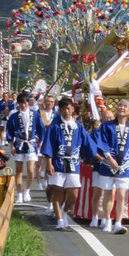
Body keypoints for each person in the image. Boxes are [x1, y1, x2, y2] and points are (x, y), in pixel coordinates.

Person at [90, 97, 129, 233]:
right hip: (108, 164)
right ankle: (108, 220)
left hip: (123, 165)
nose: (121, 108)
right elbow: (102, 142)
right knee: (108, 193)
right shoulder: (107, 126)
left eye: (125, 106)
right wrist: (108, 157)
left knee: (121, 194)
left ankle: (118, 222)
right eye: (119, 106)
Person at [41, 96, 91, 230]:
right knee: (58, 191)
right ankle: (59, 220)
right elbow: (49, 145)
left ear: (73, 109)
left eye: (69, 108)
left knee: (74, 192)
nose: (66, 111)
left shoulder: (78, 126)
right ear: (60, 110)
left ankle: (64, 211)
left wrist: (96, 156)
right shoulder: (54, 126)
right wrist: (49, 163)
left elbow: (87, 143)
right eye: (64, 108)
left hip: (73, 163)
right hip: (58, 161)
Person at [5, 91, 39, 205]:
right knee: (18, 170)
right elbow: (9, 130)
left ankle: (27, 190)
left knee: (30, 170)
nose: (23, 105)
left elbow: (41, 128)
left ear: (28, 103)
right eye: (20, 103)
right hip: (19, 144)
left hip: (31, 144)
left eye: (24, 103)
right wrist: (11, 145)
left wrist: (41, 142)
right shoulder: (14, 116)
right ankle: (19, 193)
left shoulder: (35, 114)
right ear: (18, 104)